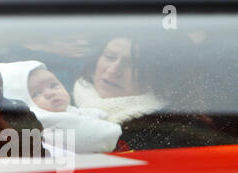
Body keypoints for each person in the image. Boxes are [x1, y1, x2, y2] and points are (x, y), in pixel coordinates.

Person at [73, 35, 235, 151]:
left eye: (133, 65)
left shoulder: (174, 130)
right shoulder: (58, 100)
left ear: (159, 78)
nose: (113, 70)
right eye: (109, 56)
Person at [0, 60, 122, 154]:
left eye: (53, 85)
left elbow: (84, 114)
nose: (50, 93)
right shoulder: (40, 120)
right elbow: (96, 135)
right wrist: (117, 129)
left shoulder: (66, 109)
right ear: (23, 101)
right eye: (36, 93)